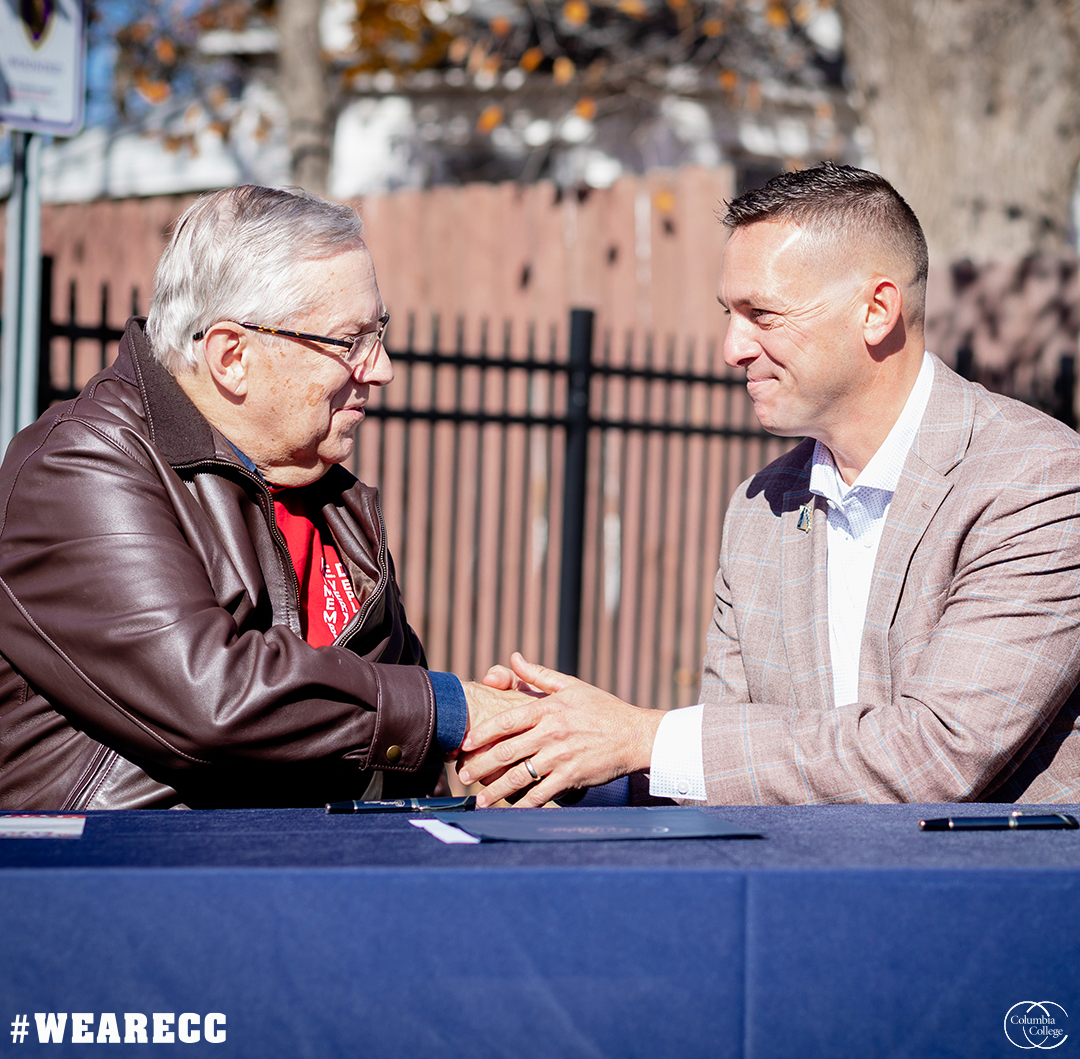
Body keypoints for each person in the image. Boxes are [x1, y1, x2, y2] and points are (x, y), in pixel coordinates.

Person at [458, 163, 1080, 807]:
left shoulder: (1036, 482)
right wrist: (549, 752)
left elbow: (933, 759)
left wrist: (642, 738)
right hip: (791, 896)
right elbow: (739, 772)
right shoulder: (761, 506)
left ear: (876, 310)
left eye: (763, 314)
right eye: (730, 313)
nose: (732, 347)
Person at [0, 185, 509, 809]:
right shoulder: (79, 464)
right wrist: (452, 709)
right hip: (120, 882)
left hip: (298, 882)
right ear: (232, 357)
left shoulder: (327, 495)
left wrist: (497, 758)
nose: (380, 369)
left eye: (378, 332)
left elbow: (391, 733)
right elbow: (211, 696)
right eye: (349, 341)